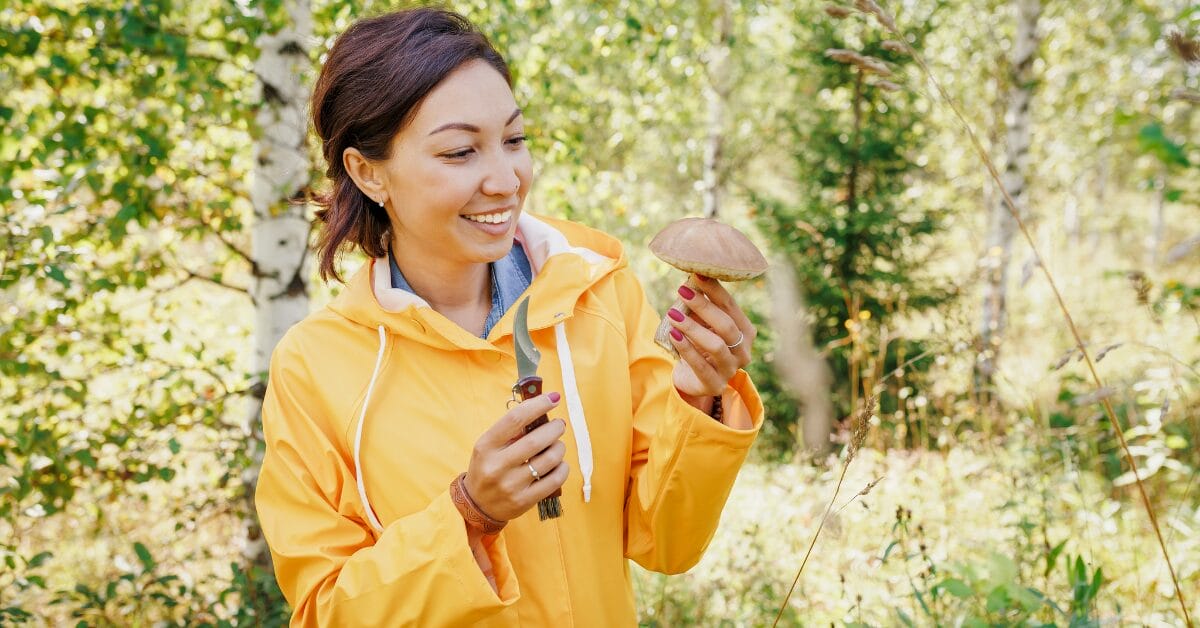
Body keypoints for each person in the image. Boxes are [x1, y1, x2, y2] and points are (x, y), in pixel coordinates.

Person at [255, 7, 764, 626]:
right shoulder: (313, 368)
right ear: (368, 172)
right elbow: (324, 611)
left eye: (514, 140)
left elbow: (670, 544)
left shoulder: (600, 297)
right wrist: (469, 513)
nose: (505, 179)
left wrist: (700, 398)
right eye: (460, 151)